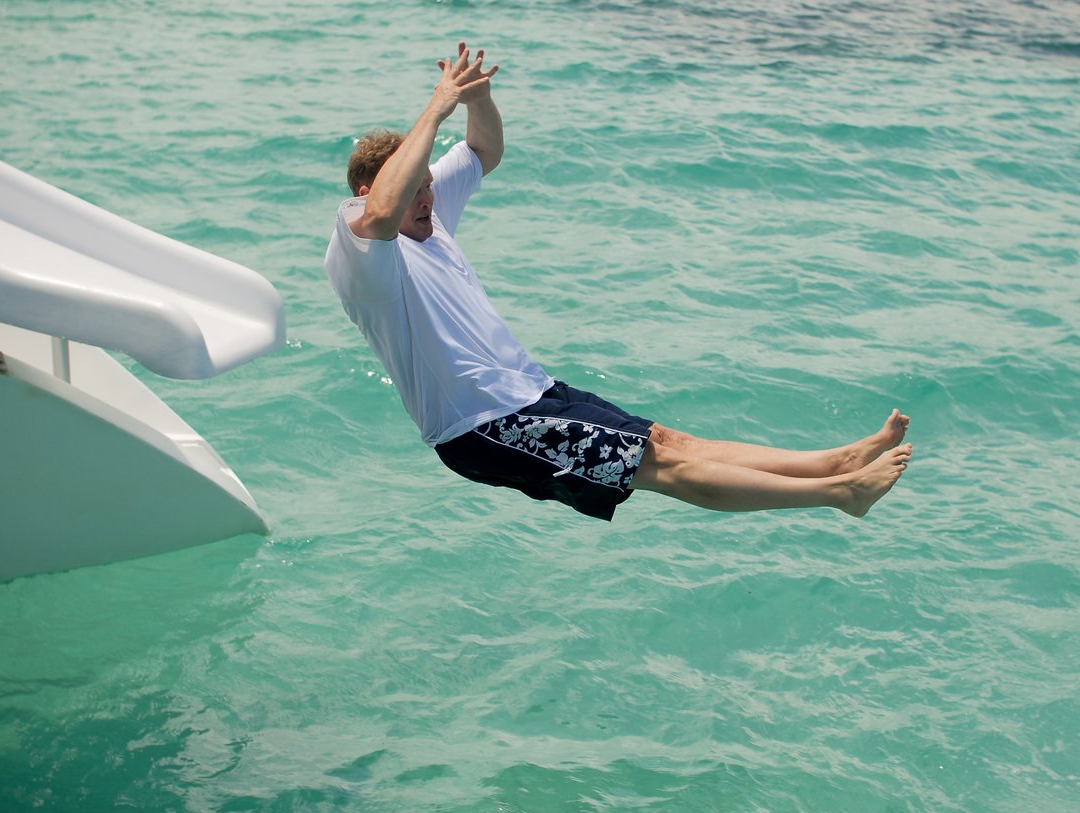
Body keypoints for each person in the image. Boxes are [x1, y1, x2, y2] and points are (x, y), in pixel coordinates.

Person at [324, 42, 912, 522]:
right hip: (482, 425)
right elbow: (383, 211)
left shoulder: (427, 216)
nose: (429, 196)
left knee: (671, 444)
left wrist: (477, 98)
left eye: (429, 184)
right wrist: (435, 107)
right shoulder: (362, 249)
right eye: (415, 189)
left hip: (531, 393)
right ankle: (842, 495)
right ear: (366, 195)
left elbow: (482, 150)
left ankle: (835, 463)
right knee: (663, 471)